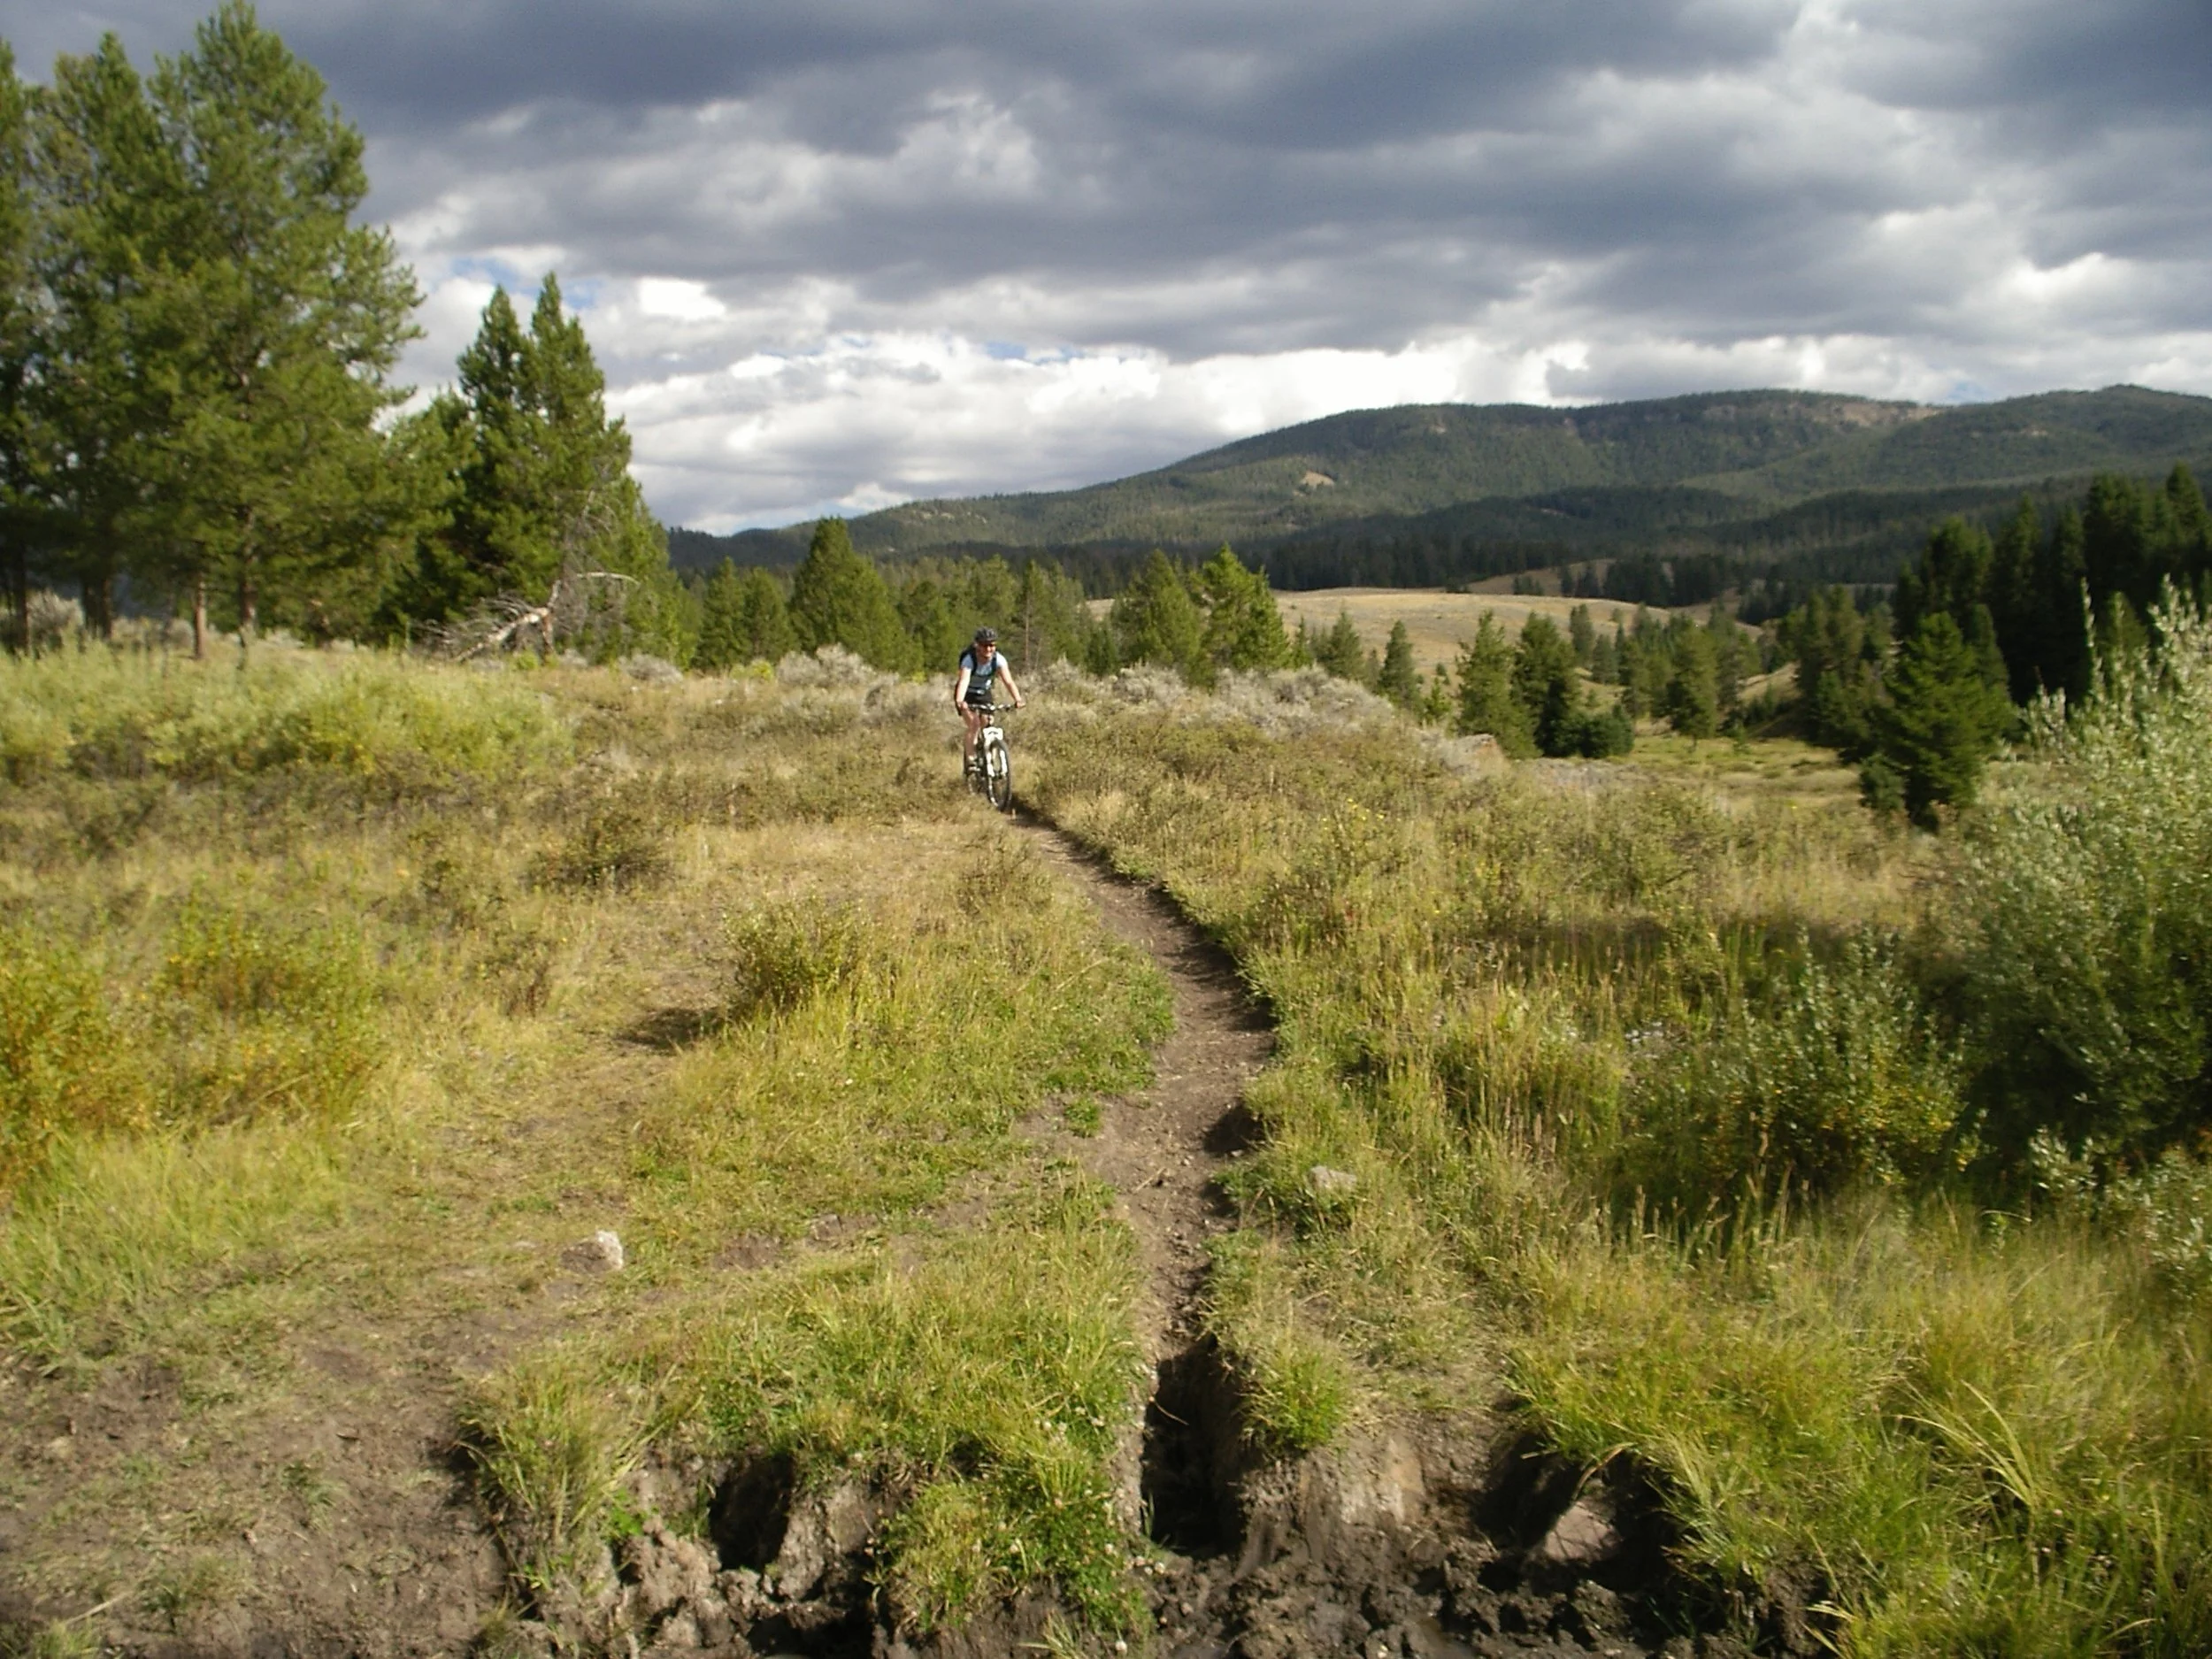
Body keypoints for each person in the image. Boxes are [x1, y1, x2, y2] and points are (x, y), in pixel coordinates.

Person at [951, 626, 1023, 774]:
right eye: (985, 645)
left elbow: (1008, 681)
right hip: (966, 694)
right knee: (974, 724)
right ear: (977, 645)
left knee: (988, 723)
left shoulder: (999, 660)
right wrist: (960, 701)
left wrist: (1018, 699)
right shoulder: (969, 660)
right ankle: (971, 760)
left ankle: (987, 753)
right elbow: (964, 681)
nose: (989, 649)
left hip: (984, 693)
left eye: (992, 645)